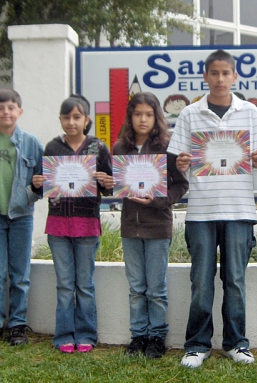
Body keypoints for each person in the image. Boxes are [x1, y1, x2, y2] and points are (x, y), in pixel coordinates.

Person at [168, 49, 257, 368]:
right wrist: (182, 163)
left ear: (235, 76)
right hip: (201, 210)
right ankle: (197, 344)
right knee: (201, 279)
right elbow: (178, 161)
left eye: (226, 73)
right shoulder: (190, 114)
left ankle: (236, 343)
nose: (220, 79)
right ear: (205, 76)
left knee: (235, 280)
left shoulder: (250, 112)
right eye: (214, 73)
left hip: (239, 209)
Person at [31, 95, 113, 354]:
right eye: (66, 117)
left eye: (77, 117)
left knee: (84, 284)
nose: (71, 122)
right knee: (65, 284)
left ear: (86, 120)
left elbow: (110, 187)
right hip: (58, 226)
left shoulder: (98, 147)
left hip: (87, 224)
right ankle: (64, 334)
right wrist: (37, 184)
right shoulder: (52, 148)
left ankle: (87, 334)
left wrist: (105, 181)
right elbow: (42, 186)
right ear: (60, 119)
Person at [113, 92, 189, 359]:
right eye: (137, 114)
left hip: (158, 227)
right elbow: (118, 184)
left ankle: (157, 337)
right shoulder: (119, 148)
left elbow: (181, 185)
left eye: (148, 114)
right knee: (136, 287)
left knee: (156, 288)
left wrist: (158, 201)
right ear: (130, 117)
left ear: (156, 117)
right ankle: (138, 336)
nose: (142, 120)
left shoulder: (168, 148)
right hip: (130, 228)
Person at [0, 89, 43, 347]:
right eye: (0, 108)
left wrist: (31, 192)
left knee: (20, 273)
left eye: (11, 108)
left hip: (21, 216)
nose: (6, 112)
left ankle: (17, 325)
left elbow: (42, 184)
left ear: (19, 112)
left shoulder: (32, 143)